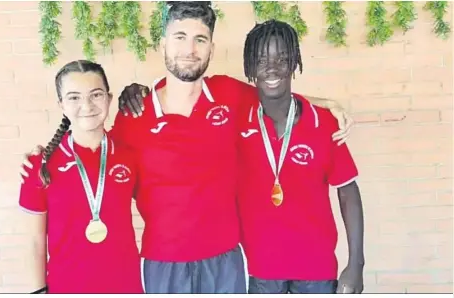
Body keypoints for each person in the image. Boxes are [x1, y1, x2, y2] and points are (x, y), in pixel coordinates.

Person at [19, 2, 352, 294]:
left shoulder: (229, 95)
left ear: (210, 47)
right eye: (180, 37)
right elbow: (92, 149)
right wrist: (47, 154)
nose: (189, 49)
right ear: (163, 43)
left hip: (225, 261)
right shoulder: (134, 115)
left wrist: (326, 104)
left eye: (200, 39)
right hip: (163, 265)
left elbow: (275, 98)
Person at [236, 20, 364, 294]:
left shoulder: (325, 122)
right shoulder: (237, 121)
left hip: (315, 270)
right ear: (250, 67)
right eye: (261, 60)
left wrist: (356, 264)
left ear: (294, 62)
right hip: (258, 271)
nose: (272, 69)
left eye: (281, 59)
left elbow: (347, 192)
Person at [19, 60, 144, 294]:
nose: (86, 105)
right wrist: (37, 292)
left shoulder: (128, 155)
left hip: (127, 286)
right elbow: (35, 242)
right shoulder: (40, 165)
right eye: (74, 97)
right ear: (61, 104)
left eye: (96, 95)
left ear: (109, 98)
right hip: (67, 287)